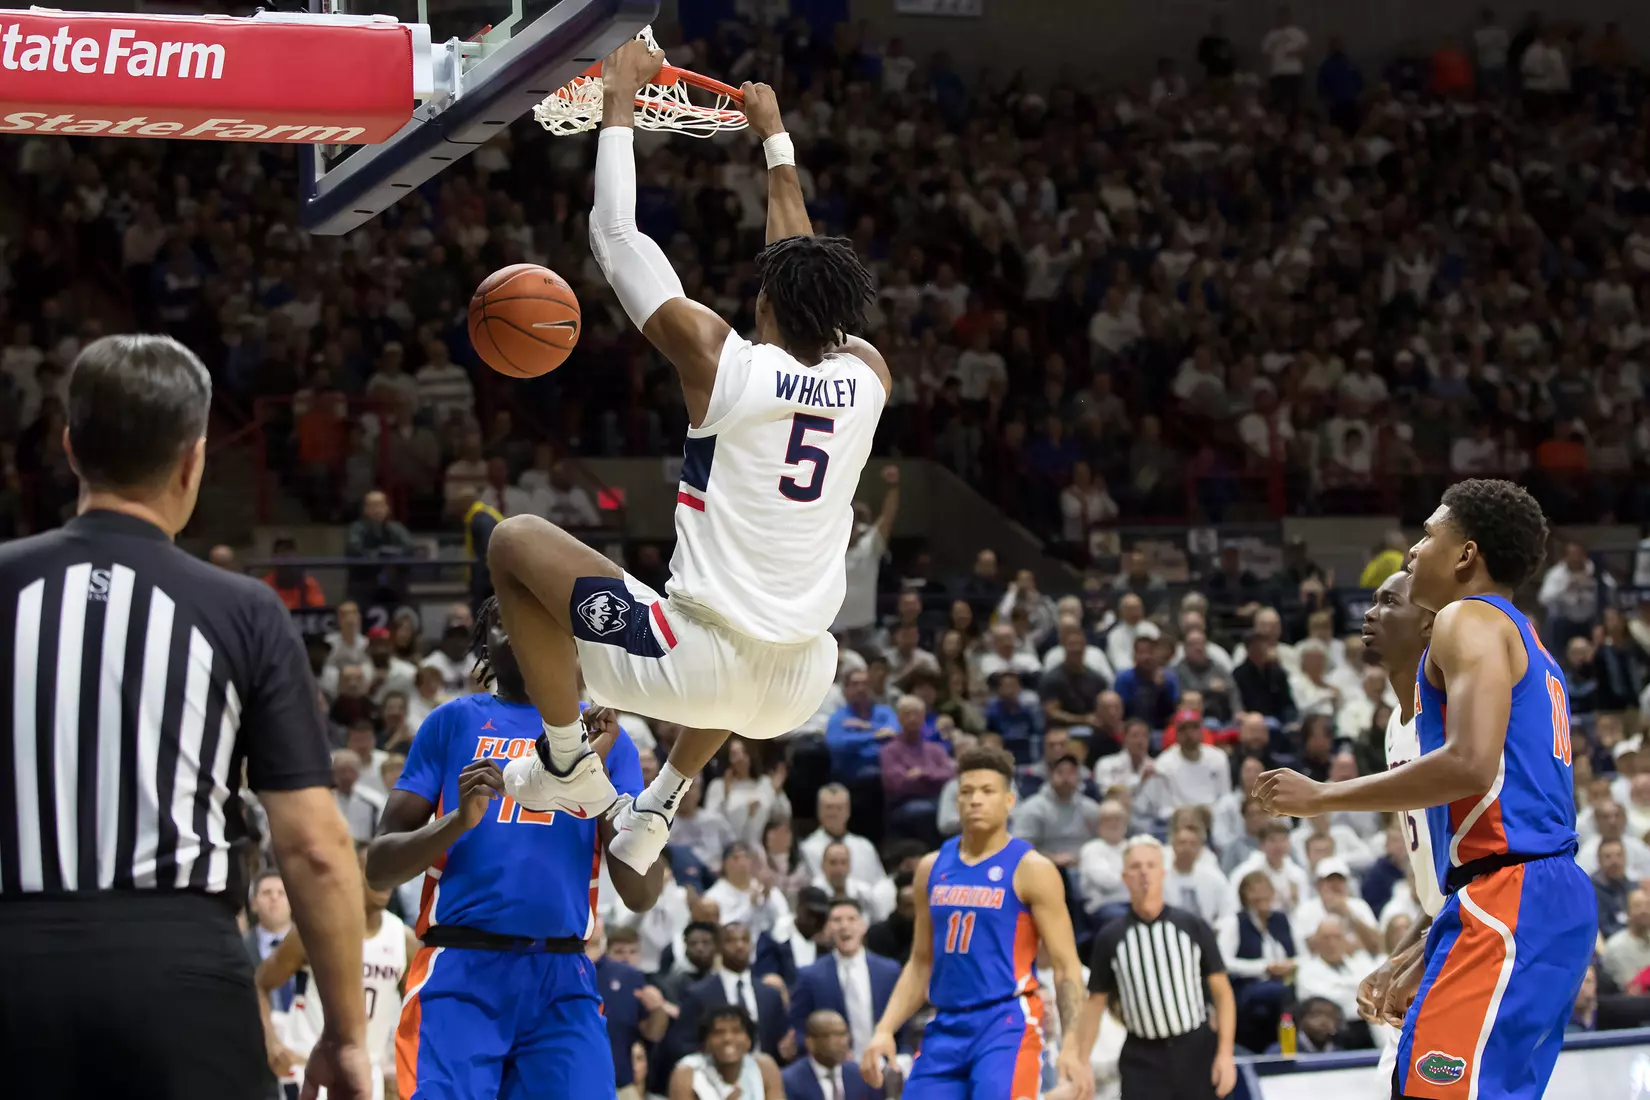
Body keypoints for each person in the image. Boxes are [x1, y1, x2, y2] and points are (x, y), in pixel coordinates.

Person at [487, 48, 887, 879]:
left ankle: (564, 764)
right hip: (802, 679)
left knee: (514, 545)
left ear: (764, 303)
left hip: (693, 665)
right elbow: (802, 274)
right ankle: (659, 804)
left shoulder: (720, 359)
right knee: (749, 627)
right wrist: (775, 142)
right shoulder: (868, 377)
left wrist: (620, 102)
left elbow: (614, 235)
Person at [0, 333, 370, 1100]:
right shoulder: (243, 611)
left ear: (70, 449)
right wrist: (343, 1036)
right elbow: (315, 848)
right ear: (194, 460)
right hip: (181, 969)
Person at [1258, 479, 1595, 1100]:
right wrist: (1427, 944)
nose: (1414, 551)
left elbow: (1469, 765)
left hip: (1511, 893)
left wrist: (1323, 797)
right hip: (1525, 893)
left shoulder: (1468, 617)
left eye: (1428, 534)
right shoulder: (1528, 639)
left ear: (1466, 555)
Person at [364, 596, 664, 1100]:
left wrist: (603, 793)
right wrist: (456, 823)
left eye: (542, 624)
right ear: (484, 641)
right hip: (460, 966)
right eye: (508, 624)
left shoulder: (611, 738)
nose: (526, 635)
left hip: (561, 974)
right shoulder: (451, 722)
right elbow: (378, 867)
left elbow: (640, 892)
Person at [860, 747, 1092, 1100]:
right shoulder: (931, 868)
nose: (975, 800)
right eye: (967, 792)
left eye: (987, 791)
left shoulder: (1033, 869)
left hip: (1006, 1021)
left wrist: (1072, 1048)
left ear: (1010, 800)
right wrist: (884, 1029)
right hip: (947, 1023)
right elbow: (921, 962)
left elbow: (1066, 966)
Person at [1351, 570, 1446, 1096]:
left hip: (1481, 931)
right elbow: (1438, 887)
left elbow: (1481, 871)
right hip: (1444, 927)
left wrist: (1420, 960)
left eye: (1389, 602)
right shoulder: (1394, 723)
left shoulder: (1451, 718)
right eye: (1372, 601)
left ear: (1429, 624)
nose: (1370, 613)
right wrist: (1396, 959)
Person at [1075, 836, 1238, 1099]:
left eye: (1150, 866)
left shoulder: (1192, 926)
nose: (1144, 873)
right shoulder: (1110, 937)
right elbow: (1095, 1003)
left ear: (1163, 873)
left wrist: (1225, 1054)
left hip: (1195, 1048)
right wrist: (1082, 1061)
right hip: (1142, 1057)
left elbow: (1222, 992)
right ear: (1125, 877)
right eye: (1136, 867)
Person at [258, 847, 420, 1100]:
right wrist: (271, 1042)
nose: (385, 878)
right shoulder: (315, 929)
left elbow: (416, 1018)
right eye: (374, 870)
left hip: (367, 1075)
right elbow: (260, 983)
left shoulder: (404, 941)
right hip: (307, 1070)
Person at [789, 897, 902, 1059]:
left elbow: (905, 1025)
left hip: (884, 1063)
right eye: (836, 920)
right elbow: (800, 1029)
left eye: (851, 919)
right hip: (835, 1069)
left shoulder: (889, 971)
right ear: (827, 928)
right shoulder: (810, 976)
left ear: (863, 926)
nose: (844, 926)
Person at [669, 1004, 784, 1100]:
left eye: (736, 1031)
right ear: (706, 1043)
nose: (727, 1039)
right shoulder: (687, 1072)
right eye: (718, 1032)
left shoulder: (765, 1067)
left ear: (749, 1040)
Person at [781, 1010, 883, 1100]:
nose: (841, 1042)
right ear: (810, 1042)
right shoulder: (789, 1081)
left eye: (843, 1034)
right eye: (830, 1035)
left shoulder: (860, 1075)